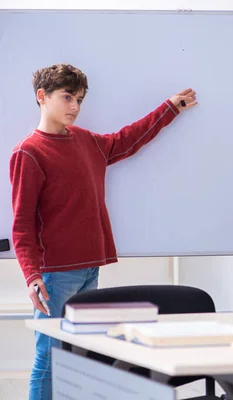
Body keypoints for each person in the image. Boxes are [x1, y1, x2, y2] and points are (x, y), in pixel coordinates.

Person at [9, 63, 198, 400]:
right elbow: (21, 222)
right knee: (51, 358)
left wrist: (169, 109)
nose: (74, 107)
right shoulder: (30, 152)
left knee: (79, 357)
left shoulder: (86, 142)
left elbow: (128, 139)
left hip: (89, 268)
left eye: (79, 99)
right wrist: (31, 275)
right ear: (42, 97)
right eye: (67, 97)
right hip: (55, 275)